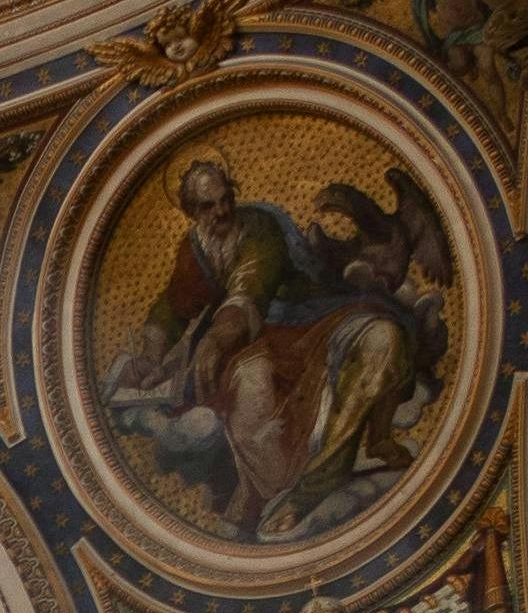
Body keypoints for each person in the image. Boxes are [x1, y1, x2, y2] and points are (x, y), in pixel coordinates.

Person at [103, 159, 423, 539]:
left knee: (384, 337)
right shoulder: (197, 248)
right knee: (248, 388)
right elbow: (171, 306)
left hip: (312, 317)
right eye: (208, 206)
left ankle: (345, 462)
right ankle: (276, 492)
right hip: (262, 341)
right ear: (191, 212)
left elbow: (250, 283)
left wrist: (217, 338)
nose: (222, 211)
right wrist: (150, 358)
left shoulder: (259, 226)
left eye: (226, 199)